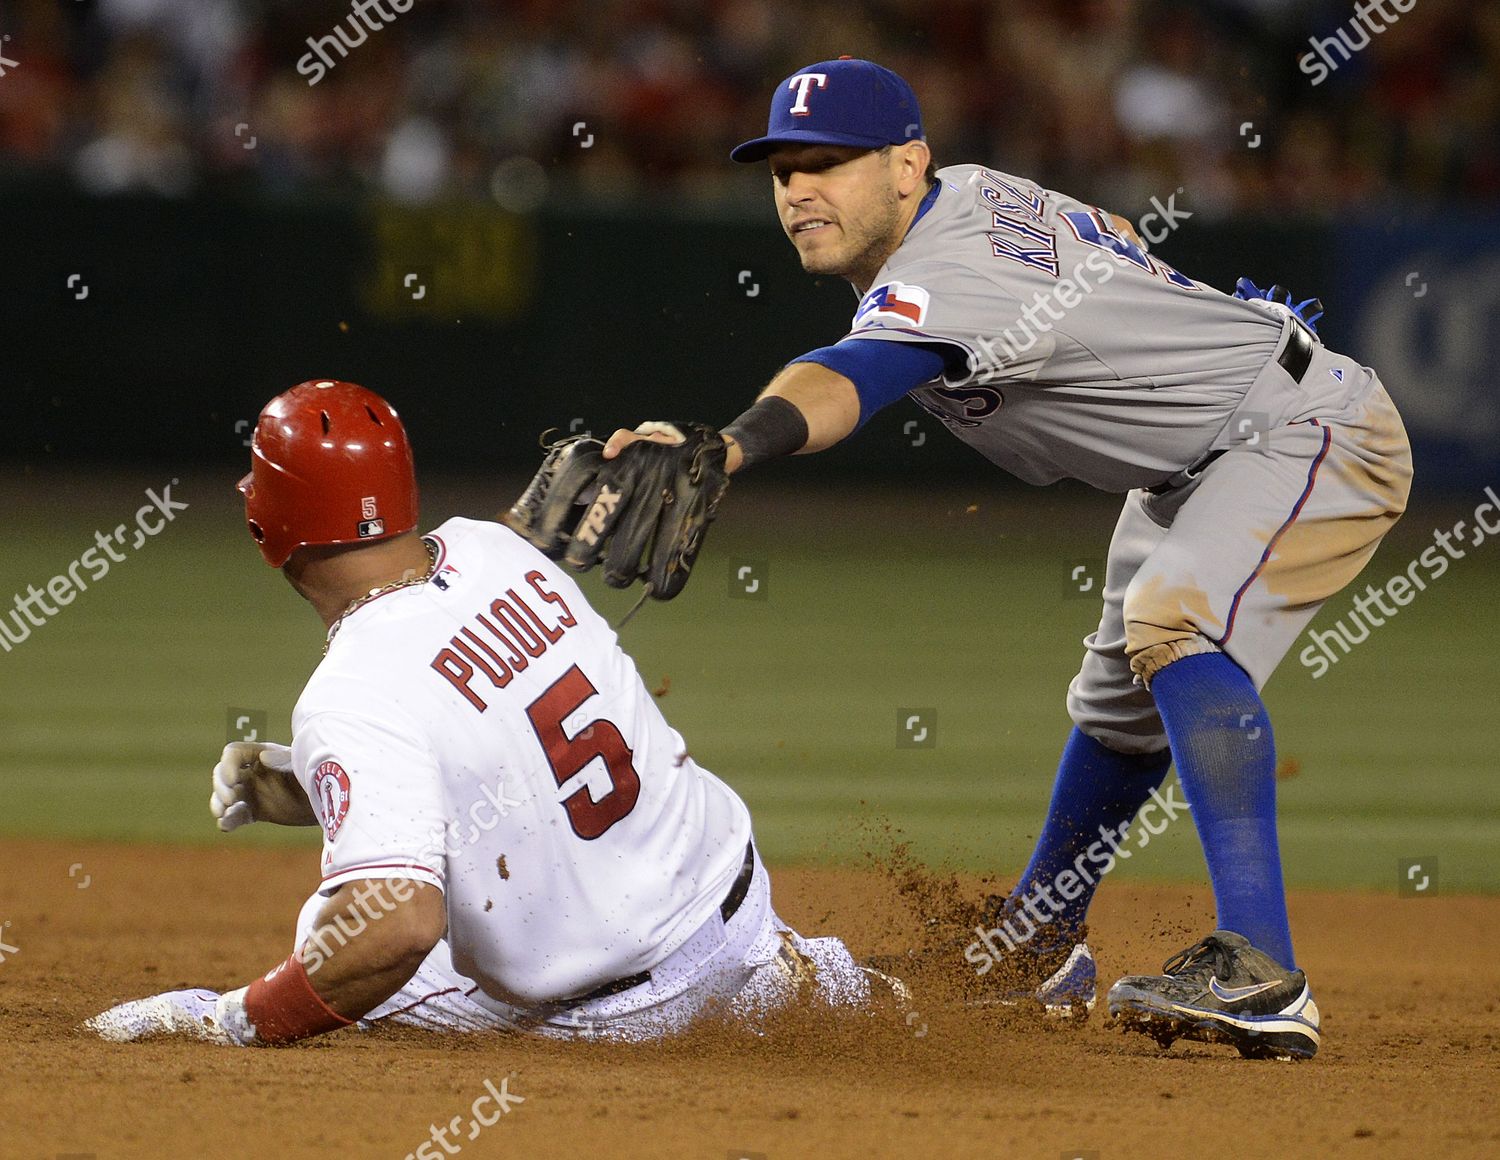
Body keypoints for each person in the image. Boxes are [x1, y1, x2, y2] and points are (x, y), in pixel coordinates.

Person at [595, 58, 1412, 1060]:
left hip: (1299, 428)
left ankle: (1264, 969)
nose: (800, 189)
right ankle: (1036, 947)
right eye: (782, 171)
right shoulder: (953, 213)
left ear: (907, 165)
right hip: (1192, 458)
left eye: (830, 163)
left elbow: (855, 374)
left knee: (1175, 619)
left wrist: (729, 445)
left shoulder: (959, 261)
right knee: (1120, 700)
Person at [86, 379, 888, 1047]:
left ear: (271, 522)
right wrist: (315, 787)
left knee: (330, 936)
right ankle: (810, 978)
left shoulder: (350, 694)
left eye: (253, 474)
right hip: (739, 912)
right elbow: (491, 740)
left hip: (630, 1017)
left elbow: (394, 932)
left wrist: (238, 1020)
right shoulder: (493, 548)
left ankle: (216, 1022)